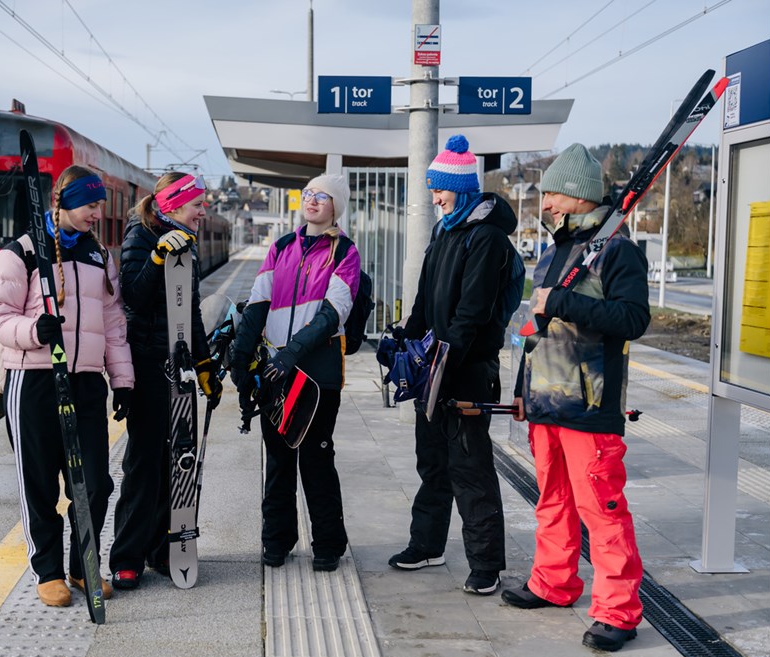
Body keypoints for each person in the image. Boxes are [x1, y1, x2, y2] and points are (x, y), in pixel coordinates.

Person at [503, 143, 650, 653]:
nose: (545, 206)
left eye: (553, 196)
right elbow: (535, 330)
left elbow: (633, 320)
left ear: (581, 197)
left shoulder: (618, 251)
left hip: (590, 406)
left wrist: (564, 300)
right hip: (545, 401)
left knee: (602, 510)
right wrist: (522, 390)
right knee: (552, 501)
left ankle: (617, 611)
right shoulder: (554, 252)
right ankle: (553, 581)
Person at [0, 165, 134, 608]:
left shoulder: (98, 256)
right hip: (32, 380)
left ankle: (82, 565)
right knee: (40, 483)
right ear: (66, 203)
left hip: (85, 382)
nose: (96, 214)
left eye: (99, 206)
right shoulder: (22, 251)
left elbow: (112, 324)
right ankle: (47, 571)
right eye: (91, 205)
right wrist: (35, 330)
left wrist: (122, 380)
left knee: (95, 483)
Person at [388, 135, 515, 596]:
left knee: (470, 469)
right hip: (435, 370)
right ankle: (427, 544)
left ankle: (487, 564)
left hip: (466, 371)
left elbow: (472, 313)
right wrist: (407, 338)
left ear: (459, 189)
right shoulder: (444, 233)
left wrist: (444, 360)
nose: (434, 197)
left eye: (439, 189)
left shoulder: (486, 239)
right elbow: (426, 301)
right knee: (432, 463)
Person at [228, 173, 361, 573]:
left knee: (316, 458)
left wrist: (293, 353)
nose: (313, 201)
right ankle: (277, 540)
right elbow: (257, 303)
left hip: (318, 374)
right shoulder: (282, 246)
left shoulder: (345, 253)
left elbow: (332, 313)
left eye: (322, 196)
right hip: (274, 370)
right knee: (279, 458)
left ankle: (328, 545)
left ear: (336, 205)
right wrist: (241, 354)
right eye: (308, 194)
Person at [109, 172, 222, 590]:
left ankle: (162, 550)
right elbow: (133, 298)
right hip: (147, 365)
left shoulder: (188, 245)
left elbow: (189, 312)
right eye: (197, 204)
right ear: (174, 205)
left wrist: (206, 365)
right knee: (143, 464)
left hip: (180, 368)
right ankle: (126, 558)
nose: (202, 210)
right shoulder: (141, 236)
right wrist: (157, 260)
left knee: (175, 463)